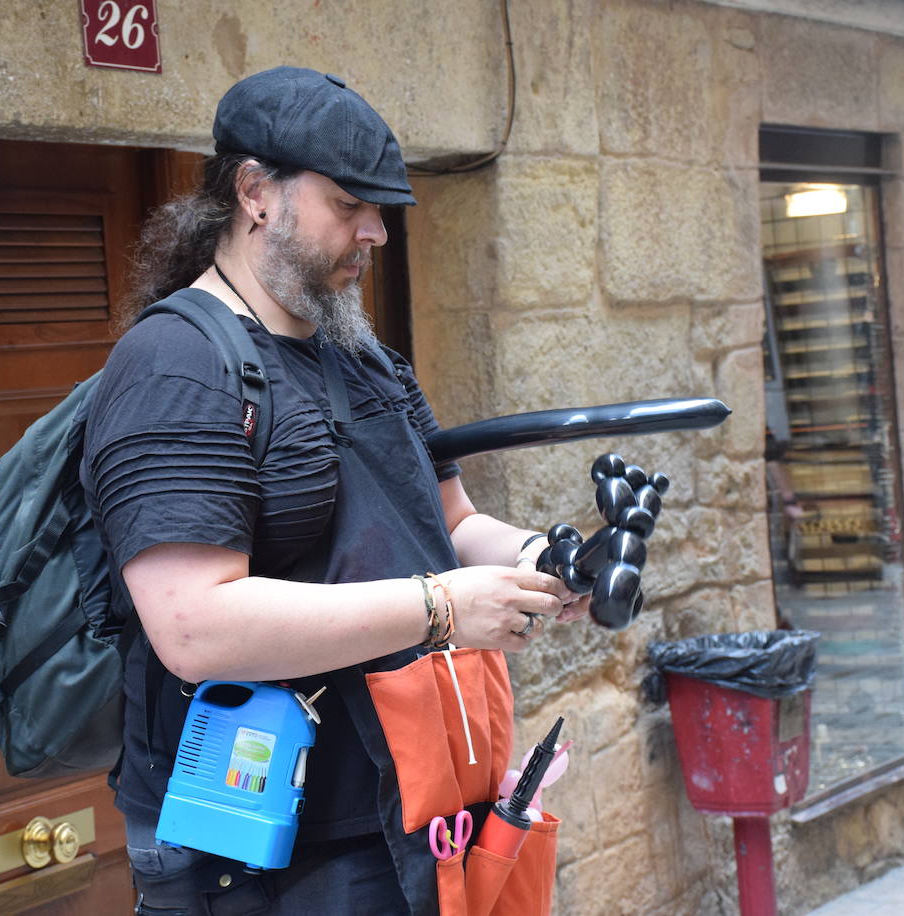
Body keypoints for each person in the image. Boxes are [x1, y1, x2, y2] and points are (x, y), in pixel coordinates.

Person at [80, 66, 586, 914]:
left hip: (418, 813)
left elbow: (451, 524)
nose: (376, 233)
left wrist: (546, 560)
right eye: (351, 206)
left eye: (380, 210)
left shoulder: (365, 357)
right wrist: (440, 609)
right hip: (279, 854)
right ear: (256, 193)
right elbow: (194, 627)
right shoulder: (176, 367)